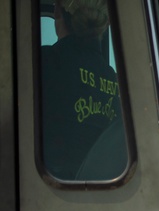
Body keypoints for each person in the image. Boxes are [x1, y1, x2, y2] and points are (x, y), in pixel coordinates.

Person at [40, 0, 121, 180]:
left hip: (52, 192)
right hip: (106, 195)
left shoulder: (44, 63)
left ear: (58, 10)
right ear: (105, 23)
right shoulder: (116, 82)